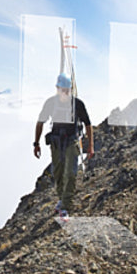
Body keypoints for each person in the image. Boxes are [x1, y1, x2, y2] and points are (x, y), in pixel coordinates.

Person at [33, 73, 94, 217]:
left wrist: (90, 146)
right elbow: (40, 122)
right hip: (55, 142)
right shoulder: (51, 103)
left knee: (71, 173)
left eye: (68, 90)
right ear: (57, 88)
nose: (65, 93)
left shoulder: (77, 104)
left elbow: (88, 124)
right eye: (63, 89)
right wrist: (36, 143)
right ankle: (62, 199)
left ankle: (66, 206)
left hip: (71, 141)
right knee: (58, 173)